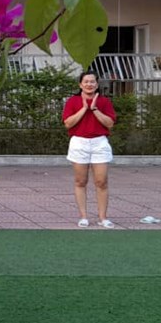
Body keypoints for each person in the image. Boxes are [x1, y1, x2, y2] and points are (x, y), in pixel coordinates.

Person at [62, 71, 116, 228]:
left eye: (92, 82)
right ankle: (83, 217)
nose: (89, 84)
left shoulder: (104, 101)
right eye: (86, 81)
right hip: (79, 142)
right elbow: (68, 123)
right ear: (80, 84)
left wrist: (94, 109)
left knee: (101, 181)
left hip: (99, 143)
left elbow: (109, 123)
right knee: (81, 181)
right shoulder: (73, 101)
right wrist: (84, 108)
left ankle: (103, 217)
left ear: (97, 84)